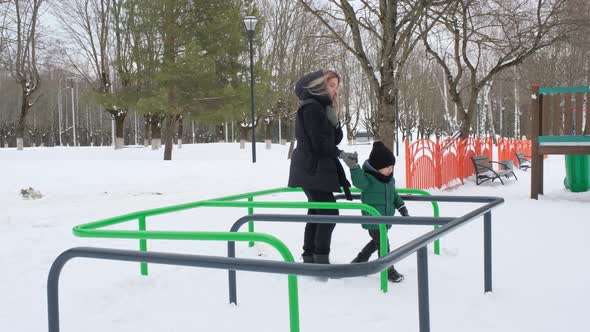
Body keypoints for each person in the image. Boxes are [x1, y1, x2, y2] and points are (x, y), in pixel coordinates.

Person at [288, 69, 357, 264]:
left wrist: (335, 122)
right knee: (328, 213)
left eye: (337, 87)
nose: (335, 91)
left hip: (315, 169)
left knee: (317, 212)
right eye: (332, 85)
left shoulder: (321, 107)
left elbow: (334, 139)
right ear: (320, 85)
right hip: (310, 167)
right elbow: (318, 143)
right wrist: (341, 154)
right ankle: (320, 259)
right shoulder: (311, 107)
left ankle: (310, 257)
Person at [342, 141, 407, 282]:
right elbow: (359, 182)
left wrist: (401, 206)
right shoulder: (368, 179)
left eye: (392, 167)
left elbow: (394, 195)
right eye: (386, 167)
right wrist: (354, 167)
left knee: (376, 242)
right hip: (373, 219)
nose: (390, 170)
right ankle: (388, 269)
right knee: (384, 243)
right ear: (376, 167)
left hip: (385, 219)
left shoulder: (389, 180)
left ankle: (360, 260)